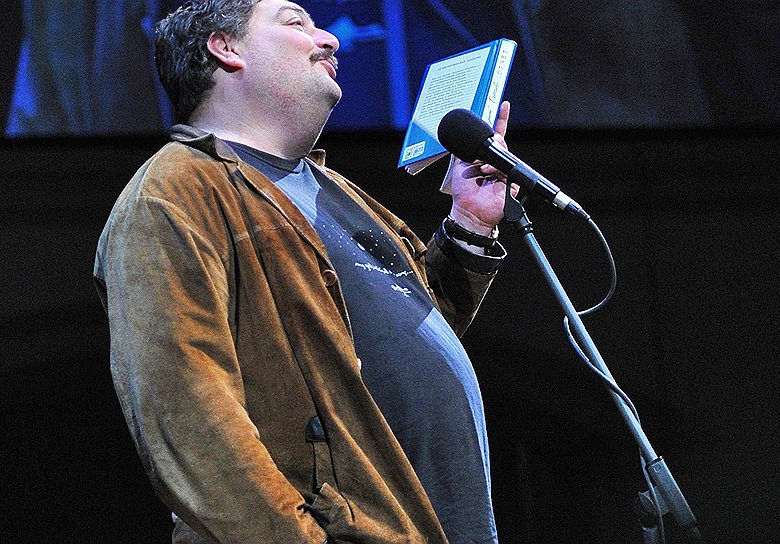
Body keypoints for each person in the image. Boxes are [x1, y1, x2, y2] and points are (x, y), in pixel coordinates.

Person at [93, 1, 514, 542]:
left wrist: (470, 223)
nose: (330, 39)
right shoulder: (173, 193)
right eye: (297, 23)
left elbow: (405, 336)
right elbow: (188, 419)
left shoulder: (333, 190)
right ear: (226, 48)